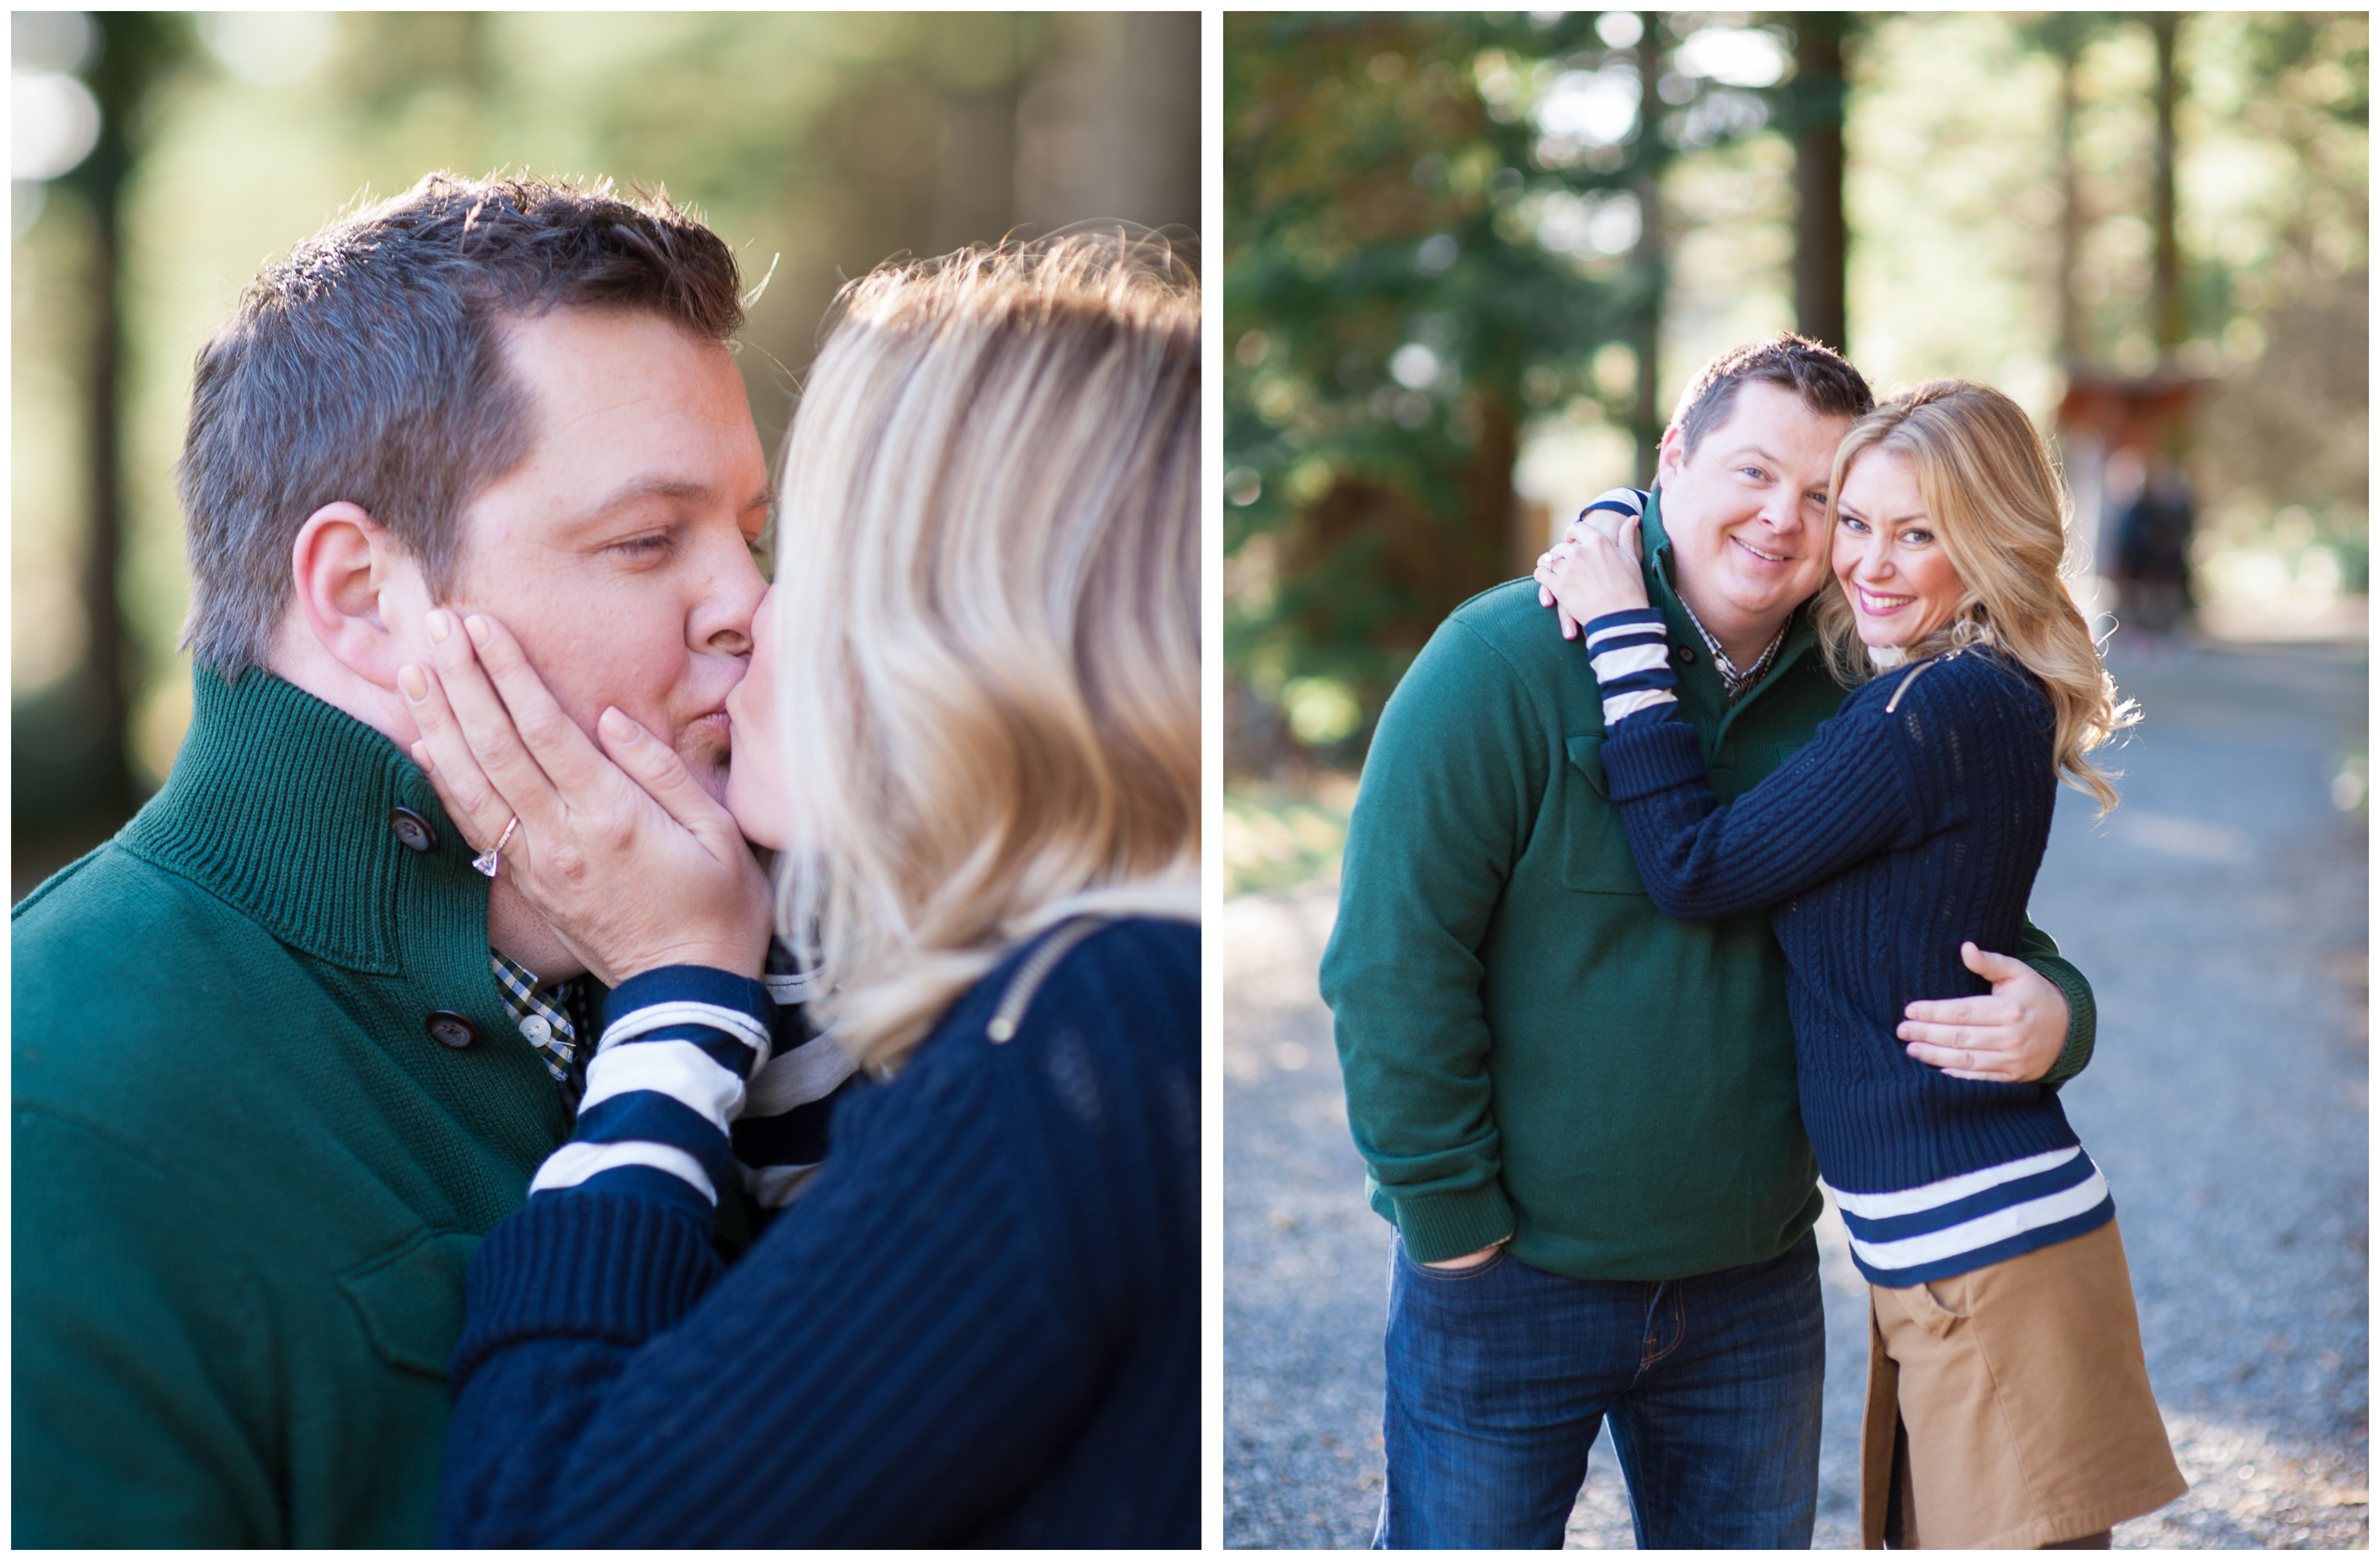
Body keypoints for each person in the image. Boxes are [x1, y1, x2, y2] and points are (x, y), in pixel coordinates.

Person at [8, 172, 851, 1545]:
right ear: (364, 597)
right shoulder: (51, 1110)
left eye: (750, 537)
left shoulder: (798, 941)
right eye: (649, 540)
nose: (753, 609)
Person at [404, 234, 1200, 1547]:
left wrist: (677, 993)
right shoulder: (1085, 995)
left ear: (947, 619)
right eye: (659, 541)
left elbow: (546, 1521)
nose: (746, 613)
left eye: (800, 556)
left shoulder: (1084, 1037)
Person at [1319, 336, 2101, 1549]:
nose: (1785, 523)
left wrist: (2058, 1014)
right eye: (1750, 473)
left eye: (1823, 498)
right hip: (1515, 1279)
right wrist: (1452, 1224)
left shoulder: (1859, 682)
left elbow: (1970, 909)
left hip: (1752, 1293)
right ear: (1671, 458)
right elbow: (1391, 964)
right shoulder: (1502, 663)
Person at [1539, 378, 2185, 1550]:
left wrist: (1626, 633)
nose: (1871, 565)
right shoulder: (1932, 694)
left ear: (1988, 541)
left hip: (1983, 1256)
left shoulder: (1936, 711)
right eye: (1856, 523)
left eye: (1919, 532)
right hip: (1945, 1252)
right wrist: (1613, 523)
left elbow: (1693, 868)